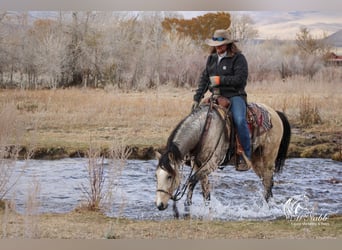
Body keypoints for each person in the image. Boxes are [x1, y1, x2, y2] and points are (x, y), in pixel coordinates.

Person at [191, 29, 251, 171]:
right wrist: (196, 98)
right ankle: (196, 153)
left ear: (228, 44)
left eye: (222, 45)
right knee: (196, 118)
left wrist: (220, 79)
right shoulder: (211, 59)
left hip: (235, 96)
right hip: (216, 97)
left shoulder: (238, 58)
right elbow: (204, 80)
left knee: (239, 120)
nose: (219, 48)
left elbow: (240, 80)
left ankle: (245, 154)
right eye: (216, 45)